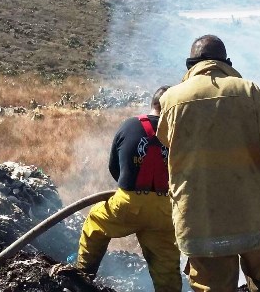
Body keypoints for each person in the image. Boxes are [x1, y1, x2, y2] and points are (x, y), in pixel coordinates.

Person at [156, 35, 260, 291]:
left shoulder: (170, 99)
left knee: (211, 285)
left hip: (199, 218)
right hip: (252, 214)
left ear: (190, 64)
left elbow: (167, 142)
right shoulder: (251, 92)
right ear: (226, 62)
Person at [76, 86, 182, 292]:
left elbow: (113, 167)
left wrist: (130, 190)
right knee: (166, 264)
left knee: (95, 222)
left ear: (153, 104)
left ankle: (81, 278)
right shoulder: (178, 134)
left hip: (128, 202)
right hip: (165, 208)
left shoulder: (129, 125)